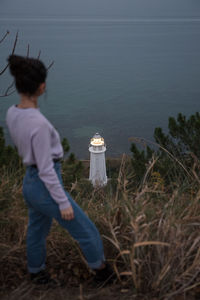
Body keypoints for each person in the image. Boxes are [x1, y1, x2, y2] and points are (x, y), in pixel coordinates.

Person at [6, 54, 113, 286]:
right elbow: (46, 169)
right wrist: (62, 202)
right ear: (42, 87)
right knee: (86, 230)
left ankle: (36, 273)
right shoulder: (40, 125)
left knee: (36, 230)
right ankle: (103, 274)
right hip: (45, 184)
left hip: (29, 183)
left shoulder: (12, 113)